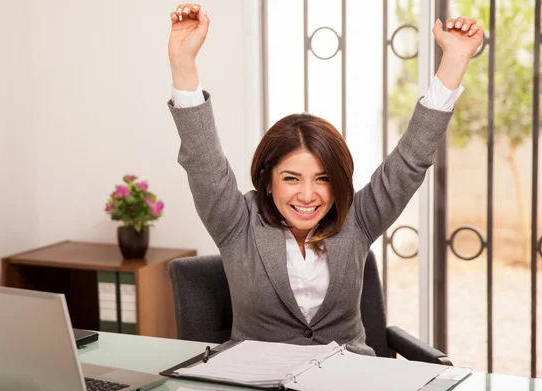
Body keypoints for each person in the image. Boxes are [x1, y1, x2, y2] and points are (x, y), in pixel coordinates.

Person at [166, 3, 483, 355]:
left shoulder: (358, 219)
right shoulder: (236, 223)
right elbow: (203, 161)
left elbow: (411, 160)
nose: (307, 194)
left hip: (348, 383)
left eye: (322, 178)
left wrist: (454, 60)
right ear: (267, 181)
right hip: (259, 386)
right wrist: (183, 61)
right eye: (291, 178)